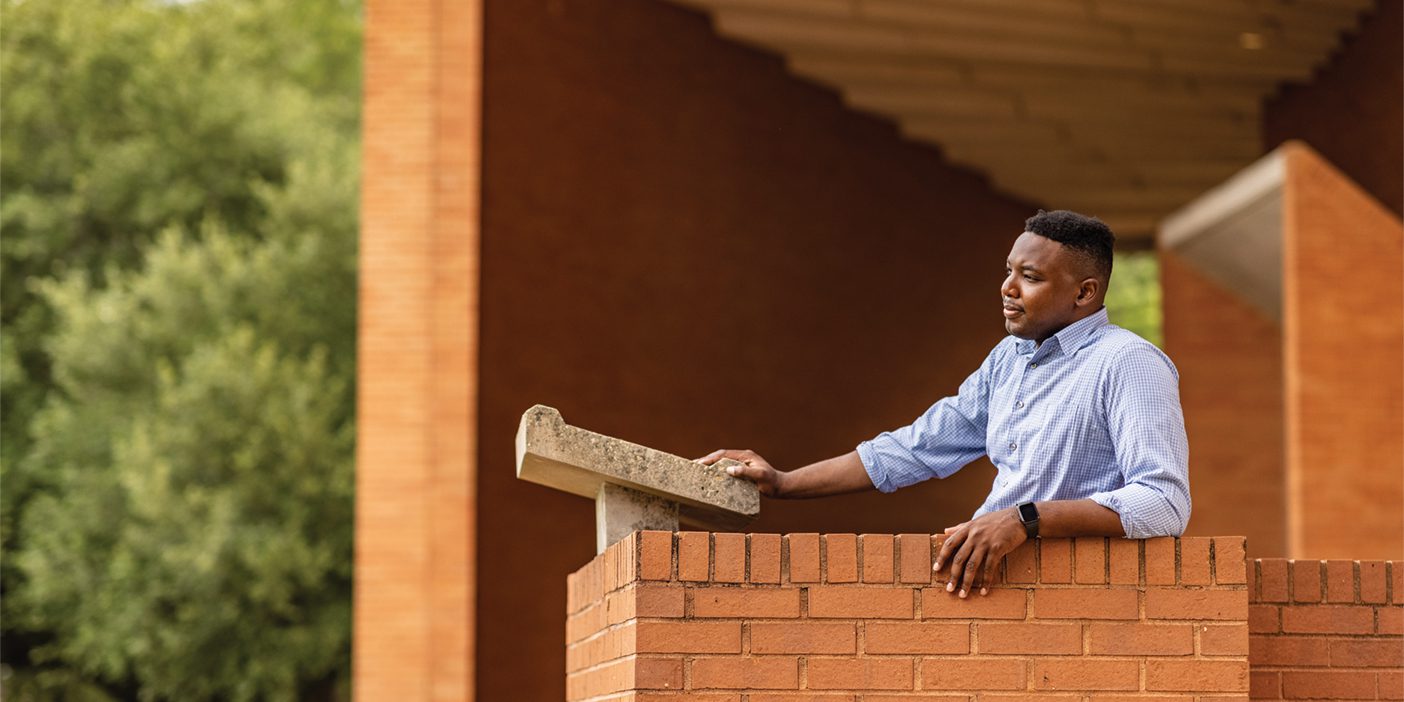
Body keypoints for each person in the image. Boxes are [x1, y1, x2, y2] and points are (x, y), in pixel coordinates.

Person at [699, 210, 1190, 601]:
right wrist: (783, 482)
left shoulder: (1129, 363)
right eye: (1008, 272)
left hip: (1083, 601)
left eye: (1030, 276)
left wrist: (1025, 519)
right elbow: (916, 448)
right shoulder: (1009, 359)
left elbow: (1164, 504)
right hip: (991, 591)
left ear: (1085, 293)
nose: (1007, 288)